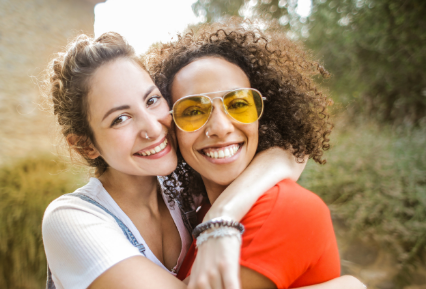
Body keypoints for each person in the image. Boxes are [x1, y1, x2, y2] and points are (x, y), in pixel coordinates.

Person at [42, 31, 364, 289]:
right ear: (86, 146)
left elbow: (293, 153)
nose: (153, 128)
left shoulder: (186, 194)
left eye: (153, 101)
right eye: (120, 119)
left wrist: (222, 216)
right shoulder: (72, 219)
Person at [146, 21, 355, 289]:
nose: (221, 128)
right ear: (171, 128)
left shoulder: (282, 209)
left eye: (239, 104)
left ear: (262, 116)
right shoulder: (200, 212)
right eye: (194, 111)